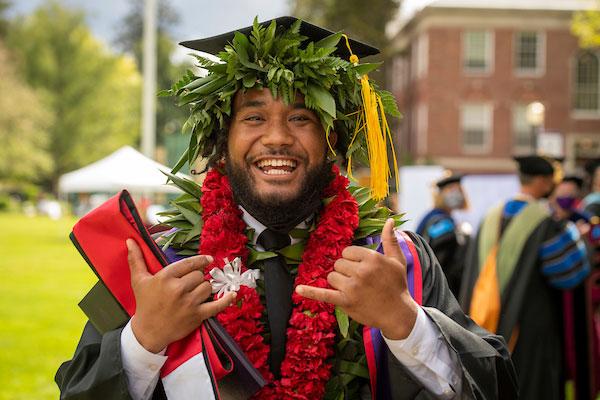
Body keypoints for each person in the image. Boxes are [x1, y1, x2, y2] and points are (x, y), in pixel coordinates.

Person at [56, 17, 517, 400]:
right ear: (223, 139)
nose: (276, 138)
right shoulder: (160, 265)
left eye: (301, 118)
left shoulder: (396, 262)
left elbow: (495, 386)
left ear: (332, 139)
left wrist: (405, 322)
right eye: (253, 117)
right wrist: (144, 340)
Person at [460, 155, 591, 400]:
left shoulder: (490, 215)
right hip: (530, 329)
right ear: (542, 181)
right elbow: (567, 272)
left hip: (481, 323)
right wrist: (579, 239)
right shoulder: (543, 221)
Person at [416, 173, 469, 297]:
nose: (455, 193)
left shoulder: (438, 217)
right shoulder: (440, 221)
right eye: (450, 190)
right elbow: (441, 259)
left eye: (458, 190)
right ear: (441, 195)